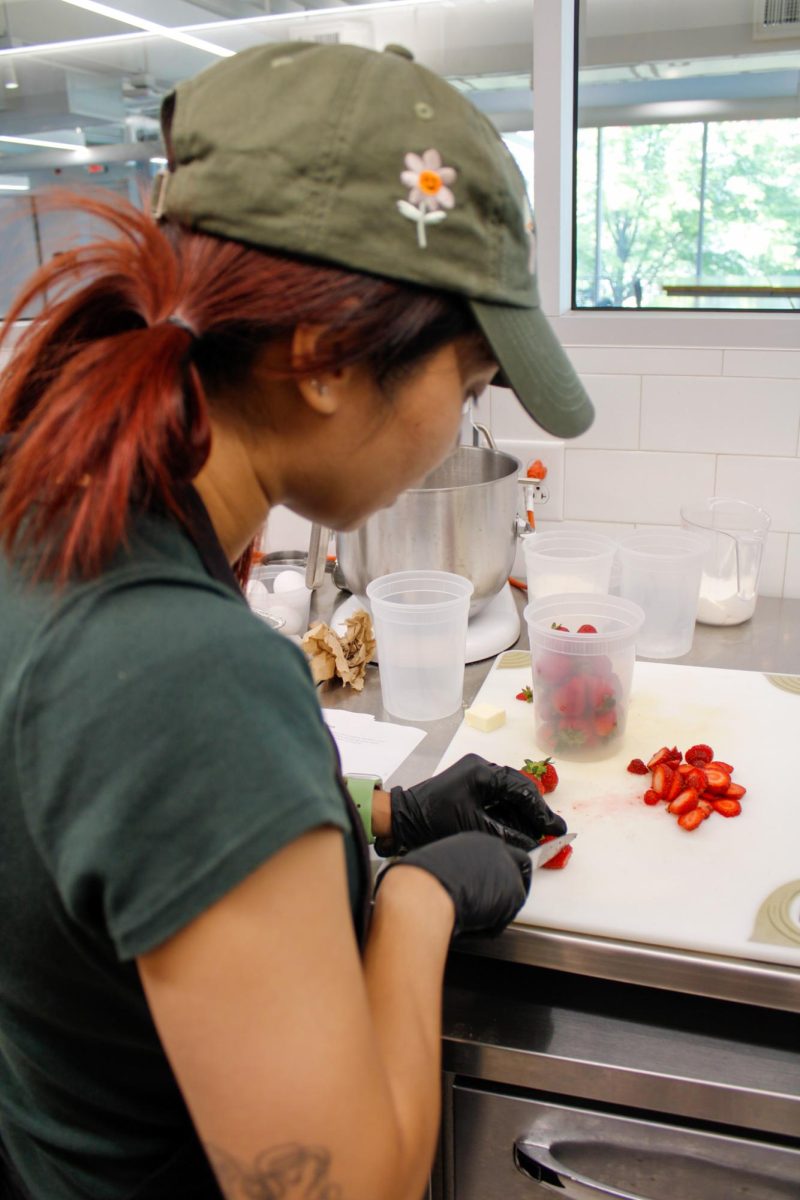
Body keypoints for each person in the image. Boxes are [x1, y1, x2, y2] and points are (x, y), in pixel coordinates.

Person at [0, 40, 593, 1200]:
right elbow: (344, 1188)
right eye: (467, 386)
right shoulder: (187, 674)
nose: (459, 424)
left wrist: (367, 813)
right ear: (321, 357)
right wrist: (415, 903)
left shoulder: (40, 511)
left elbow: (90, 826)